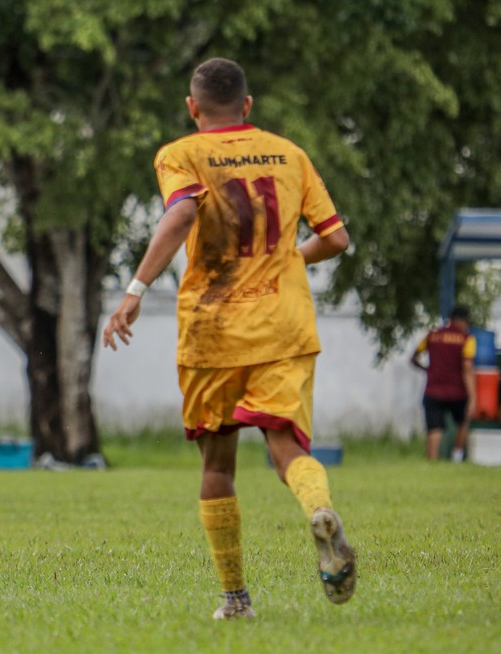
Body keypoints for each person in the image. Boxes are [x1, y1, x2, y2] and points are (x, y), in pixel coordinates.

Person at [103, 58, 354, 619]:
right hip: (283, 327)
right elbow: (335, 238)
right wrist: (289, 260)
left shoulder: (181, 153)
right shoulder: (290, 155)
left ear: (193, 108)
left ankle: (236, 599)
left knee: (217, 466)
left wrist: (135, 290)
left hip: (212, 328)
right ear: (248, 105)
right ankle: (319, 508)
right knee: (288, 448)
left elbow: (181, 216)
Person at [409, 305, 476, 462]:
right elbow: (467, 368)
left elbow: (413, 357)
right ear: (465, 321)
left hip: (433, 390)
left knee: (434, 428)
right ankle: (457, 458)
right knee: (463, 422)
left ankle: (432, 461)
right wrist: (473, 397)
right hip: (458, 391)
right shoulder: (467, 339)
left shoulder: (432, 336)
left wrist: (426, 369)